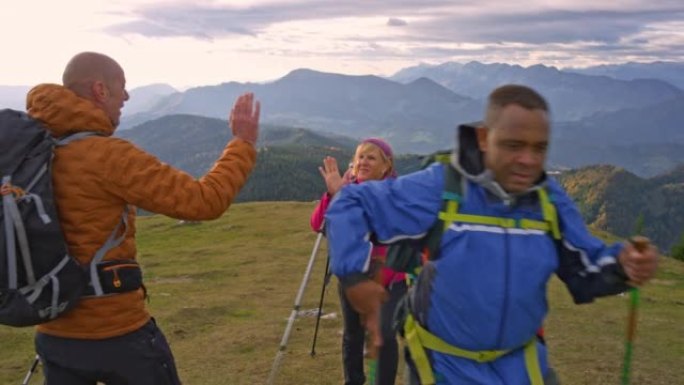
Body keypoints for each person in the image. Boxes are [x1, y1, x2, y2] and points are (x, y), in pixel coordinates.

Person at [324, 85, 659, 384]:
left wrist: (621, 264)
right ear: (484, 138)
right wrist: (353, 276)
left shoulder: (547, 200)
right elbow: (352, 202)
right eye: (514, 145)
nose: (528, 160)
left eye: (539, 148)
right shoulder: (443, 188)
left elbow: (584, 265)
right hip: (444, 369)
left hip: (522, 366)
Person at [27, 52, 260, 385]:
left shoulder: (31, 153)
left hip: (53, 333)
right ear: (99, 90)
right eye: (121, 87)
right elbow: (203, 201)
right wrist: (242, 144)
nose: (127, 97)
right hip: (116, 333)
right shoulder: (107, 156)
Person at [311, 138, 407, 385]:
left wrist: (344, 196)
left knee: (383, 335)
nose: (363, 162)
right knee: (352, 335)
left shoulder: (395, 192)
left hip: (389, 279)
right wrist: (333, 195)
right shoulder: (345, 187)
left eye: (371, 157)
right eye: (360, 157)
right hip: (352, 277)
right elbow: (317, 224)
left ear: (386, 166)